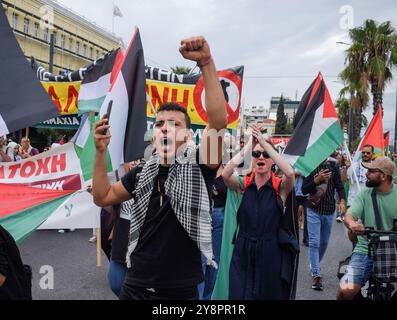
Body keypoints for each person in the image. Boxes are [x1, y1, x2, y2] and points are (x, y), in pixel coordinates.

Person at [92, 36, 227, 300]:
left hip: (179, 291)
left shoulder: (199, 166)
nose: (165, 127)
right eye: (159, 123)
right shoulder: (141, 173)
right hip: (136, 286)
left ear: (188, 135)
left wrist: (206, 63)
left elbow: (218, 121)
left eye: (174, 123)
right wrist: (99, 153)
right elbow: (102, 196)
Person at [222, 124, 295, 299]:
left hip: (270, 251)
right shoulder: (243, 184)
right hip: (243, 250)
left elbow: (290, 173)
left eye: (266, 155)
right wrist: (249, 145)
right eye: (256, 154)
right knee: (239, 294)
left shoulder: (280, 188)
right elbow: (225, 174)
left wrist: (264, 142)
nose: (260, 157)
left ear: (272, 159)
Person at [337, 156, 397, 300]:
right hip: (365, 250)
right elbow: (349, 216)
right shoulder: (364, 194)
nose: (366, 174)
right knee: (345, 291)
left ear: (383, 176)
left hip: (394, 249)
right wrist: (352, 224)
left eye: (371, 171)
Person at [302, 155, 346, 291]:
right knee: (314, 242)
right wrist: (316, 180)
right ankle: (316, 273)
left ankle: (314, 264)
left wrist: (342, 200)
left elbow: (339, 186)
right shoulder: (310, 166)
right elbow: (304, 189)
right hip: (313, 209)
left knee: (324, 242)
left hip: (329, 211)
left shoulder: (333, 166)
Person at [198, 163, 227, 300]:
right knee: (201, 260)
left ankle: (210, 298)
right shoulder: (201, 165)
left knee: (215, 261)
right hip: (202, 216)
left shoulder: (228, 169)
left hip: (220, 217)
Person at [346, 145, 374, 210]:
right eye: (363, 153)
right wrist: (346, 167)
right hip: (353, 202)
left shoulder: (375, 168)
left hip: (369, 203)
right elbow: (344, 179)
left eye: (368, 153)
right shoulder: (354, 165)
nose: (365, 154)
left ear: (372, 153)